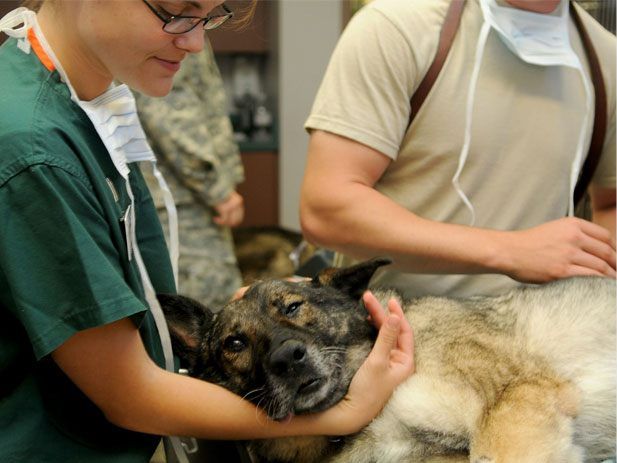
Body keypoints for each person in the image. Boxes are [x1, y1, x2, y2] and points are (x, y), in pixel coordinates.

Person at [0, 1, 414, 463]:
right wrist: (346, 412)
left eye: (209, 18)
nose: (195, 42)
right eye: (175, 13)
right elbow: (130, 394)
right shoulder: (34, 150)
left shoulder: (86, 108)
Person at [301, 0, 616, 298]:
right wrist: (510, 251)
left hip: (539, 335)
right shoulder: (398, 28)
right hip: (394, 332)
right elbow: (326, 209)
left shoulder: (607, 60)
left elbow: (610, 204)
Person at [135, 42, 245, 309]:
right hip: (181, 200)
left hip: (177, 195)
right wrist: (217, 189)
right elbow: (170, 114)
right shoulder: (171, 26)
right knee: (208, 312)